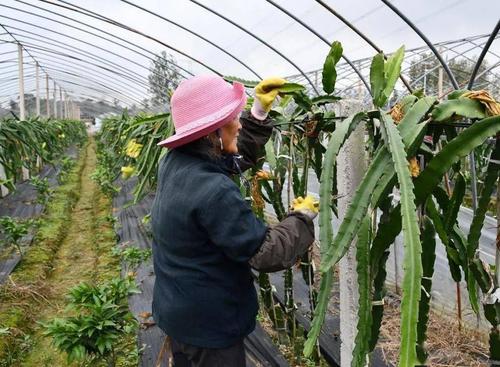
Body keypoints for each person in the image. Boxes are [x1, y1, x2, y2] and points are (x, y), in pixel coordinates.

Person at [151, 75, 317, 367]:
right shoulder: (213, 191)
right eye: (234, 118)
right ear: (213, 132)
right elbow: (265, 253)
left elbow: (232, 161)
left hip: (178, 311)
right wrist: (301, 219)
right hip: (211, 325)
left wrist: (259, 115)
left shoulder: (176, 163)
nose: (239, 124)